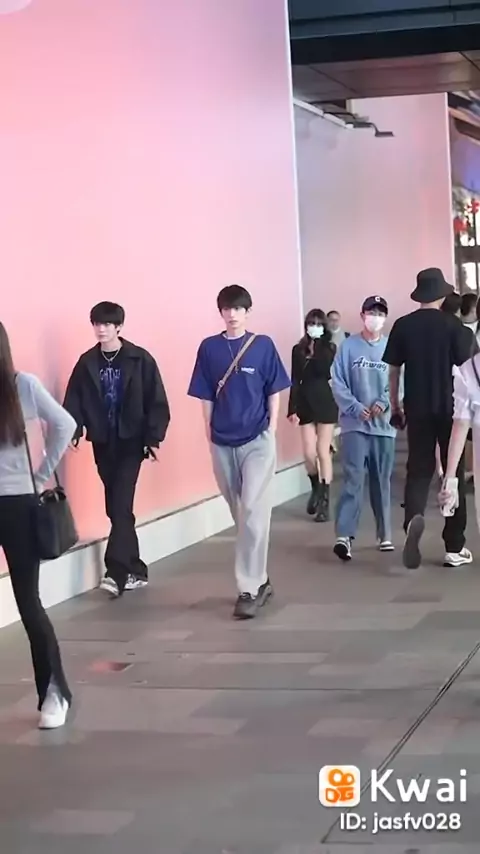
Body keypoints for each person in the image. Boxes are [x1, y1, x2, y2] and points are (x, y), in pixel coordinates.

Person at [188, 284, 290, 620]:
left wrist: (272, 427)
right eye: (227, 309)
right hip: (221, 440)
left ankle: (248, 588)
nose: (232, 314)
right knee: (242, 513)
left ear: (248, 312)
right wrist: (207, 428)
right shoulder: (209, 348)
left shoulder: (262, 346)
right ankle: (261, 579)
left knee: (252, 509)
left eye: (238, 308)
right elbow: (205, 391)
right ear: (220, 312)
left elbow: (274, 388)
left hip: (257, 439)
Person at [63, 302, 170, 598]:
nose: (101, 329)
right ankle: (136, 568)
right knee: (117, 507)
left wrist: (152, 439)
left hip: (131, 442)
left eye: (107, 324)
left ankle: (116, 572)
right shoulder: (87, 362)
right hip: (102, 441)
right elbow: (75, 399)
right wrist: (74, 430)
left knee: (120, 504)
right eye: (97, 324)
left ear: (119, 327)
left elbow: (157, 401)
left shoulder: (139, 359)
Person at [0, 323, 76, 728]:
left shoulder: (23, 386)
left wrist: (41, 474)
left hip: (18, 506)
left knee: (28, 602)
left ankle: (54, 693)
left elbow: (65, 424)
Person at [383, 268, 472, 570]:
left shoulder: (403, 325)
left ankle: (412, 520)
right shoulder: (455, 327)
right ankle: (454, 546)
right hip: (450, 408)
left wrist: (395, 406)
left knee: (419, 468)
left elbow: (393, 370)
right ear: (442, 295)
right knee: (452, 469)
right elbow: (470, 371)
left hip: (417, 407)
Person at [331, 296, 396, 561]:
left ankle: (385, 534)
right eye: (371, 312)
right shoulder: (348, 347)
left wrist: (384, 401)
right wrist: (354, 407)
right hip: (354, 425)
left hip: (383, 427)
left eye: (380, 313)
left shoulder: (392, 347)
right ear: (362, 315)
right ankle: (344, 536)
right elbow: (337, 381)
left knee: (382, 481)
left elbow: (400, 380)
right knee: (353, 479)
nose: (375, 318)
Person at [287, 308, 338, 522]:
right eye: (311, 323)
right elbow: (294, 379)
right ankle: (315, 486)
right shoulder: (297, 349)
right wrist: (292, 408)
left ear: (324, 327)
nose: (314, 327)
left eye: (318, 324)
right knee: (308, 453)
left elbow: (324, 370)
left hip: (325, 400)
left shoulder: (329, 348)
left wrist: (317, 346)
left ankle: (324, 501)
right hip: (305, 402)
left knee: (322, 451)